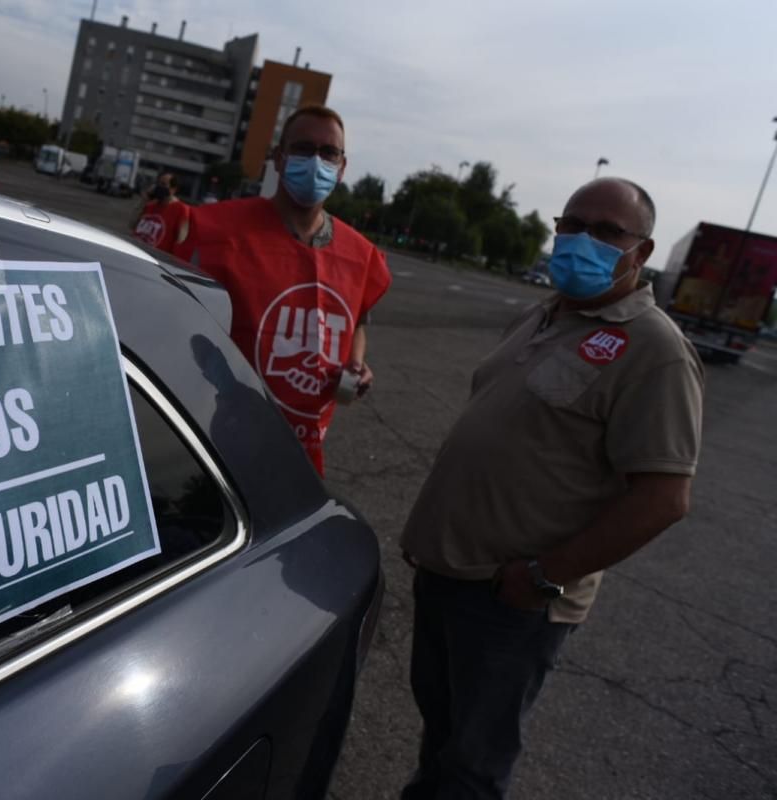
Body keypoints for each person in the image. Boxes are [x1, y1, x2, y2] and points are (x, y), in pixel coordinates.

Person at [399, 177, 704, 800]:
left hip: (512, 600)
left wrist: (542, 576)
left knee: (472, 767)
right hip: (448, 574)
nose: (581, 240)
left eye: (606, 231)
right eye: (571, 224)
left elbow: (662, 498)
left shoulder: (655, 349)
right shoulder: (543, 313)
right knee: (443, 738)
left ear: (640, 253)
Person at [174, 105, 391, 474]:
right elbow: (176, 321)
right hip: (216, 437)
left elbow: (356, 323)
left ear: (341, 167)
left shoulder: (360, 256)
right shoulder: (217, 232)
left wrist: (356, 365)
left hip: (300, 452)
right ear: (279, 157)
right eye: (304, 148)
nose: (316, 161)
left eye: (329, 152)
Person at [130, 173, 189, 254]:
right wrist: (144, 200)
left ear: (173, 189)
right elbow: (132, 225)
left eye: (163, 184)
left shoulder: (181, 209)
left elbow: (182, 241)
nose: (159, 187)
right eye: (158, 183)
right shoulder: (150, 205)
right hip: (136, 252)